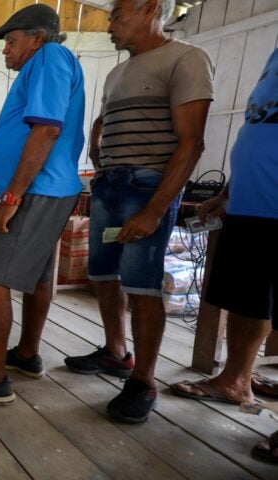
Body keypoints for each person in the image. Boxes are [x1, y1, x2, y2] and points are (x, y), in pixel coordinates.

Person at [63, 0, 213, 423]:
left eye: (117, 15)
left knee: (143, 285)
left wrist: (154, 209)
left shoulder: (186, 58)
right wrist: (98, 136)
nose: (110, 24)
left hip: (146, 186)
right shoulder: (117, 72)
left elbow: (192, 142)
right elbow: (109, 117)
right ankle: (115, 351)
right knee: (104, 276)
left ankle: (143, 381)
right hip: (109, 184)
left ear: (149, 9)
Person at [0, 4, 86, 406]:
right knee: (38, 276)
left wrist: (12, 196)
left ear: (37, 37)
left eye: (11, 41)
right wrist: (3, 178)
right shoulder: (43, 63)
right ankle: (26, 354)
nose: (5, 50)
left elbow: (45, 130)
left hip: (38, 190)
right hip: (43, 187)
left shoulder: (49, 58)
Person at [168, 48, 277, 465]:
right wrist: (230, 189)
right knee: (247, 302)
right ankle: (236, 381)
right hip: (253, 203)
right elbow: (260, 125)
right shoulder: (274, 58)